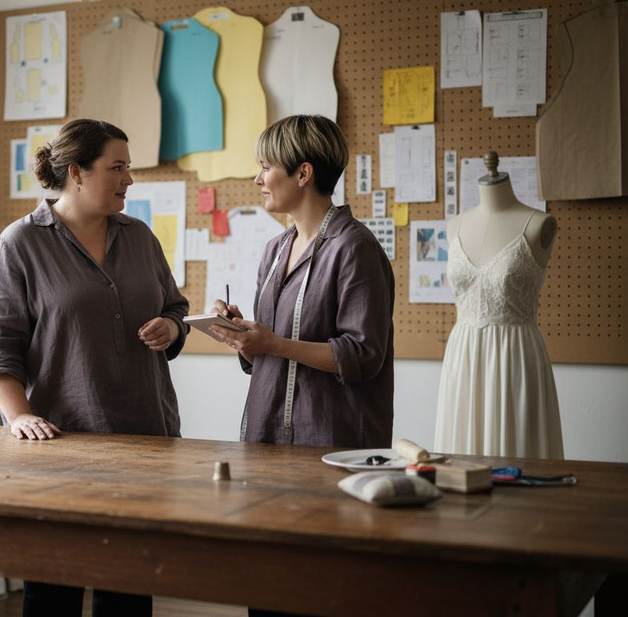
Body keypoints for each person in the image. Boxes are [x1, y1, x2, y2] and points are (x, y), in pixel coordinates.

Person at [0, 118, 188, 617]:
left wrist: (171, 328)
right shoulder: (18, 245)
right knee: (53, 590)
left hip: (144, 438)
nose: (128, 180)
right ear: (76, 172)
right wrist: (18, 414)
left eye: (128, 168)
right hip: (58, 446)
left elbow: (176, 307)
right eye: (117, 168)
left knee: (129, 590)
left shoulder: (140, 238)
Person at [209, 114, 394, 617]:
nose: (257, 179)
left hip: (329, 447)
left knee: (323, 591)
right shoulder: (274, 249)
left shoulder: (356, 248)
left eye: (266, 166)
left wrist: (272, 343)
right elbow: (269, 352)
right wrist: (247, 339)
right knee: (267, 589)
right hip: (266, 440)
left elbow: (362, 354)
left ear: (304, 173)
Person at [435, 152, 564, 458]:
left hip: (515, 355)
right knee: (461, 457)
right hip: (463, 356)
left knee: (520, 454)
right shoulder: (455, 226)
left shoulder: (539, 224)